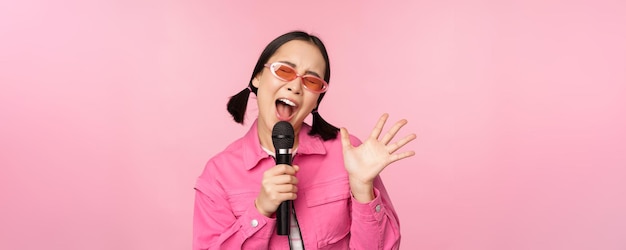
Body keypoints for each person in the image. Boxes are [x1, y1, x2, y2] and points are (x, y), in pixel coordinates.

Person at [193, 30, 416, 250]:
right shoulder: (218, 175)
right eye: (284, 70)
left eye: (311, 81)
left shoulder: (347, 153)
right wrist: (259, 210)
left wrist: (362, 188)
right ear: (258, 78)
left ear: (317, 100)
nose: (295, 86)